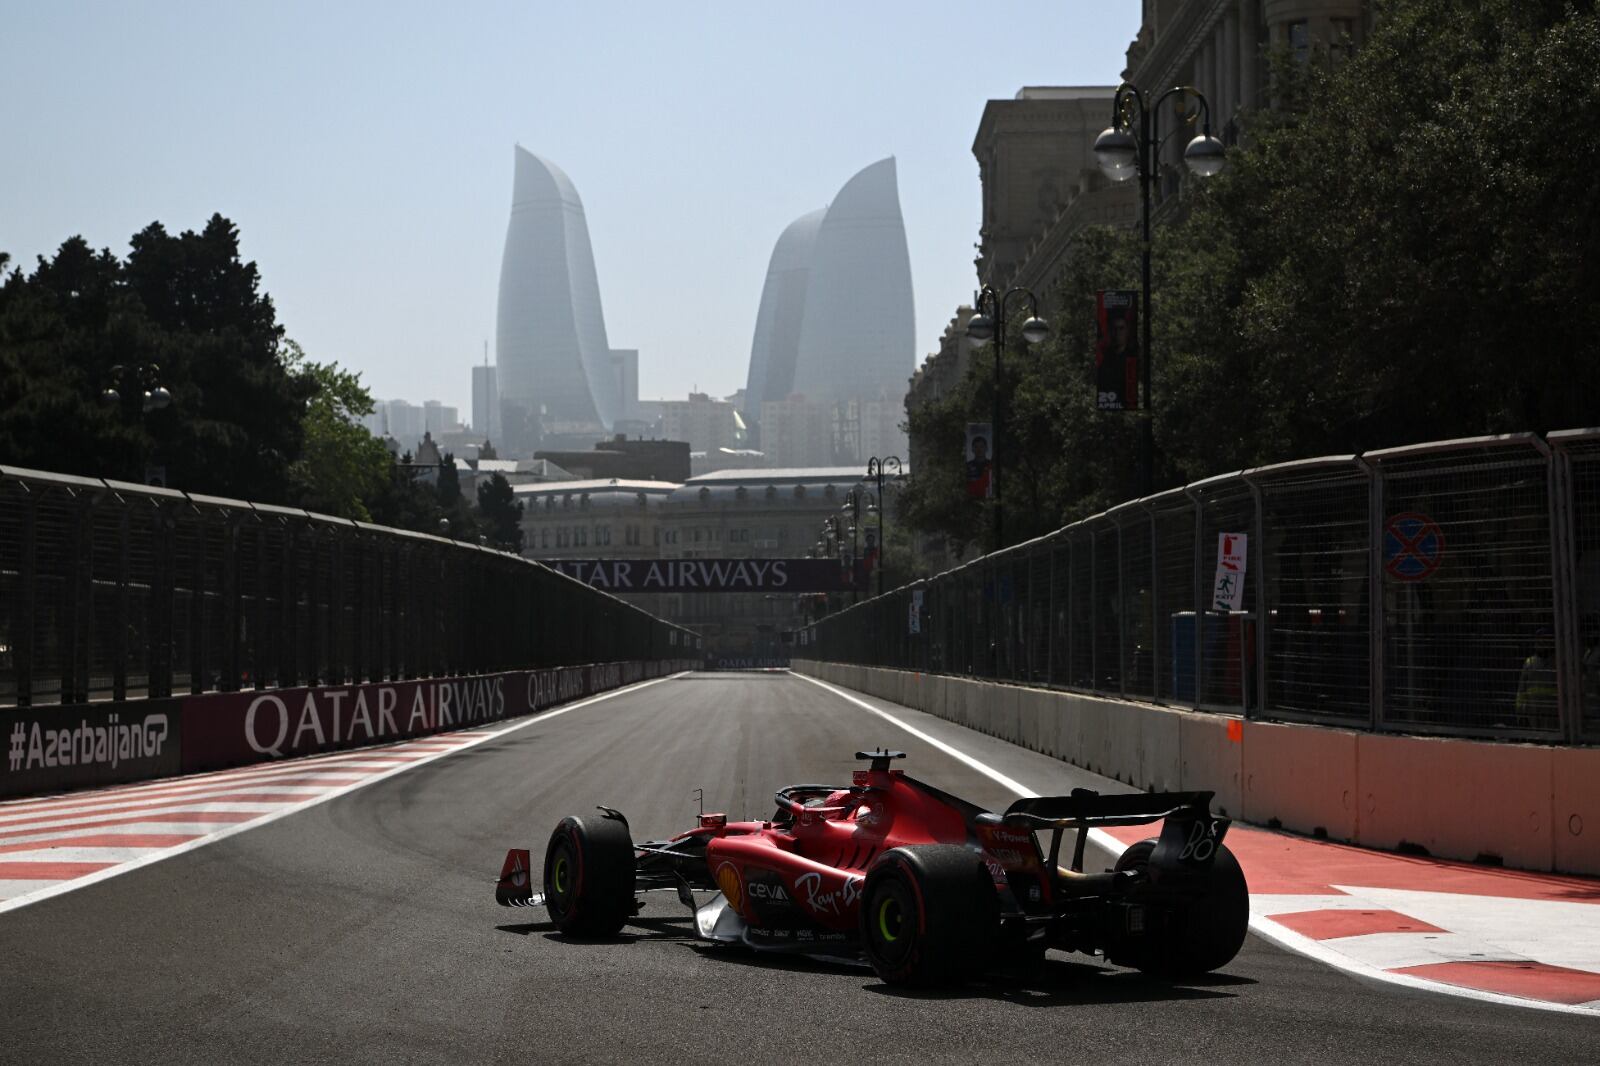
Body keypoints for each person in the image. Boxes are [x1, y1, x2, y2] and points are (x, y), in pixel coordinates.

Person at [1096, 306, 1138, 410]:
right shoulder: (1104, 360)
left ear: (1127, 331)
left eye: (1121, 328)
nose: (1118, 333)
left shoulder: (1132, 357)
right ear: (1110, 331)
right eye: (1114, 329)